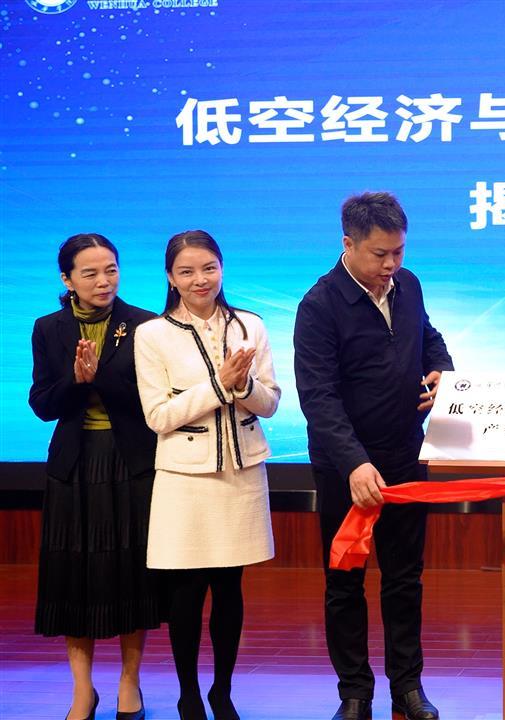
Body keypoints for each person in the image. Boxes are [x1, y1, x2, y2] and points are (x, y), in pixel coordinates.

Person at [294, 192, 454, 720]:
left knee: (405, 578)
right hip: (346, 467)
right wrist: (355, 463)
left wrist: (442, 373)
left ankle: (408, 687)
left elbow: (429, 339)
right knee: (345, 581)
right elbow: (318, 397)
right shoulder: (319, 306)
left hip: (406, 455)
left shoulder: (409, 285)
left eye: (399, 252)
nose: (391, 265)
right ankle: (354, 693)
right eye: (380, 254)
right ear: (348, 244)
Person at [134, 230, 280, 720]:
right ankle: (189, 694)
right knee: (186, 592)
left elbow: (271, 403)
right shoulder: (152, 334)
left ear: (222, 268)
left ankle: (222, 691)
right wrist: (219, 384)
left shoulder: (250, 326)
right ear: (170, 278)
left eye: (209, 268)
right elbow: (158, 416)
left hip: (241, 473)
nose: (201, 279)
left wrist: (244, 385)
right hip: (184, 478)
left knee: (230, 589)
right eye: (187, 271)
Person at [29, 233, 161, 720]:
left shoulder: (144, 324)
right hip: (74, 464)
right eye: (90, 273)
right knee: (73, 578)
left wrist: (98, 378)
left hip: (130, 461)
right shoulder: (49, 328)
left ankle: (130, 683)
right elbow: (43, 404)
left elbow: (151, 402)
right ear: (67, 279)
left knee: (131, 575)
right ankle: (82, 690)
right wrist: (74, 382)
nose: (104, 281)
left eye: (111, 269)